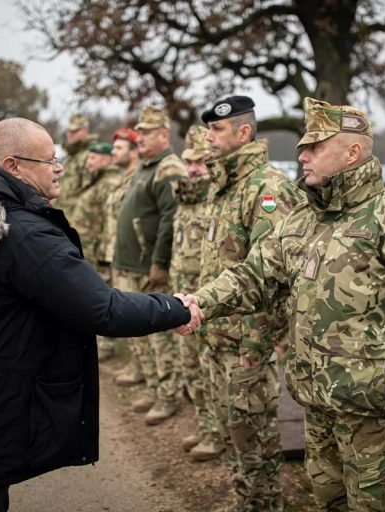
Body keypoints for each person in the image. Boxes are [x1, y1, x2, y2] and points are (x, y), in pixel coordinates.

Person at [177, 97, 385, 511]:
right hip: (317, 408)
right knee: (326, 501)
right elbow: (254, 275)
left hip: (375, 415)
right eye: (303, 146)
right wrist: (198, 303)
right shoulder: (301, 221)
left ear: (352, 152)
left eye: (315, 146)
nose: (302, 154)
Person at [0, 117, 200, 512]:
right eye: (49, 161)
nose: (59, 168)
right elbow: (103, 308)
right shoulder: (20, 232)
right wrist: (175, 307)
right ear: (13, 166)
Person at [196, 95, 303, 511]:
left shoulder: (268, 188)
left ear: (244, 132)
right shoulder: (224, 185)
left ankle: (265, 505)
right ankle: (246, 502)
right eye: (208, 129)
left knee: (256, 437)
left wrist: (256, 344)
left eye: (217, 129)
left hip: (245, 345)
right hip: (218, 337)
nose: (209, 136)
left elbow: (275, 276)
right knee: (235, 435)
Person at [112, 106, 187, 425]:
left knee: (160, 336)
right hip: (130, 265)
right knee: (140, 334)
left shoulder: (169, 168)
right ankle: (155, 387)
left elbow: (172, 219)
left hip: (149, 269)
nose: (139, 138)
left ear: (163, 135)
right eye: (138, 132)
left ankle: (169, 395)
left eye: (146, 133)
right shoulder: (146, 166)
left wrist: (159, 263)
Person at [170, 124, 225, 460]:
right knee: (191, 367)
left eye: (200, 162)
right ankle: (206, 427)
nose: (192, 168)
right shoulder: (187, 198)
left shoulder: (217, 198)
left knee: (209, 371)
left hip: (210, 300)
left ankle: (217, 434)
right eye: (188, 161)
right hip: (184, 295)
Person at [70, 142, 122, 362]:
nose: (89, 162)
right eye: (89, 157)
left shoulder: (108, 184)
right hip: (89, 249)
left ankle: (107, 345)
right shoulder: (96, 181)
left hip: (99, 252)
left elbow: (110, 221)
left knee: (101, 295)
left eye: (94, 158)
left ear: (107, 159)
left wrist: (104, 252)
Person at [106, 128, 145, 384]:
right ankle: (135, 365)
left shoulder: (137, 180)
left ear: (134, 152)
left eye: (119, 148)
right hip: (116, 255)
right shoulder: (123, 179)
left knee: (138, 315)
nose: (113, 152)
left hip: (134, 261)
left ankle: (143, 371)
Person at [55, 113, 97, 215]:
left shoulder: (90, 155)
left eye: (74, 131)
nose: (70, 134)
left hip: (77, 218)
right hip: (64, 214)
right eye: (68, 131)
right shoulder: (72, 155)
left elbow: (90, 194)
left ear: (85, 131)